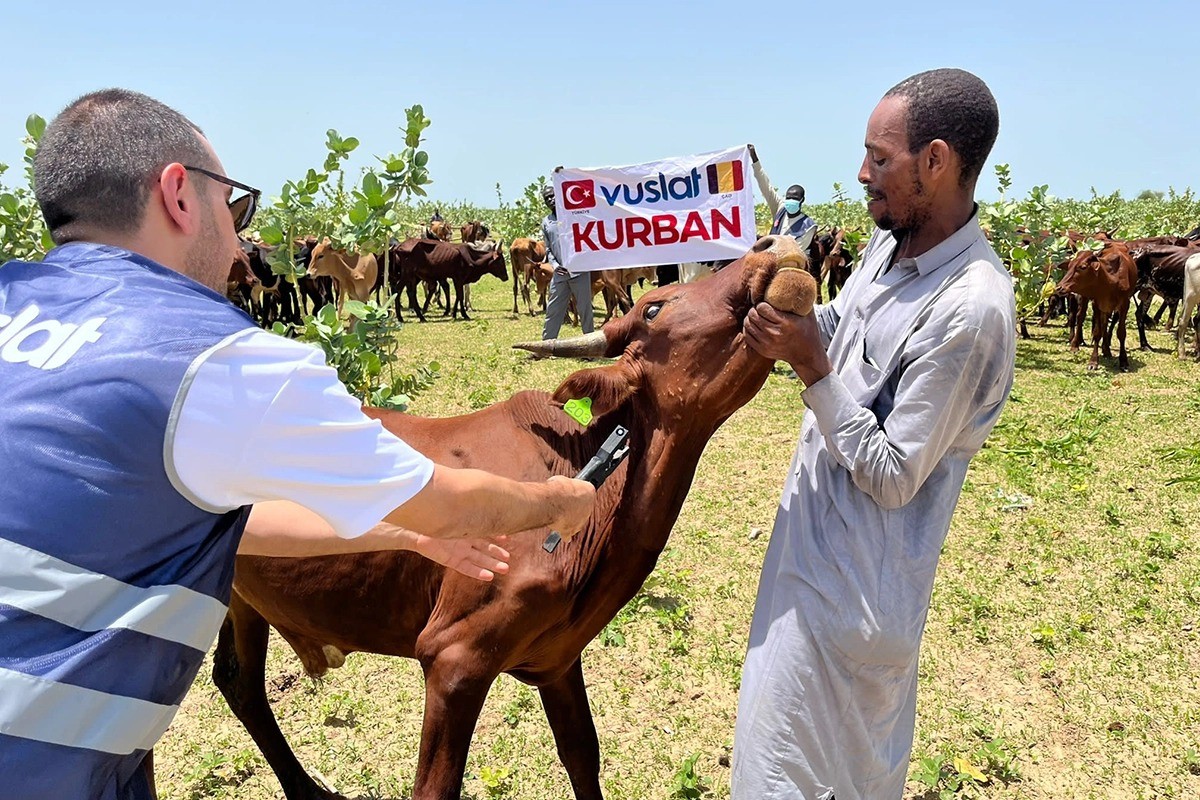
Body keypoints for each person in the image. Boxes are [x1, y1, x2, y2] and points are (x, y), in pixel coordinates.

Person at [0, 89, 595, 800]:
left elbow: (213, 518)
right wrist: (558, 501)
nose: (237, 235)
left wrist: (400, 532)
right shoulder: (217, 358)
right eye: (237, 207)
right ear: (179, 194)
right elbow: (444, 501)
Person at [734, 68, 1016, 800]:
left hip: (851, 599)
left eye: (879, 158)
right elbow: (843, 329)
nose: (862, 174)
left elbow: (893, 473)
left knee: (792, 781)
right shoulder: (890, 247)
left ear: (936, 161)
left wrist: (808, 364)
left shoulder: (970, 309)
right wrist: (791, 324)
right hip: (813, 562)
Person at [540, 181, 595, 340]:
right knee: (553, 309)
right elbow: (549, 248)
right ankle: (546, 346)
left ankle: (589, 347)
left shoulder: (574, 214)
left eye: (552, 196)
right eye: (546, 198)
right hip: (560, 273)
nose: (550, 200)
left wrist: (563, 179)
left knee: (585, 310)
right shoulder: (547, 222)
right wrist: (555, 266)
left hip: (579, 270)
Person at [750, 144, 817, 250]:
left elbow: (798, 250)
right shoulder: (780, 209)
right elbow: (765, 186)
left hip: (790, 261)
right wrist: (754, 159)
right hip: (768, 257)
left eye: (794, 198)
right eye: (788, 198)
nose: (790, 201)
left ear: (801, 200)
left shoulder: (808, 226)